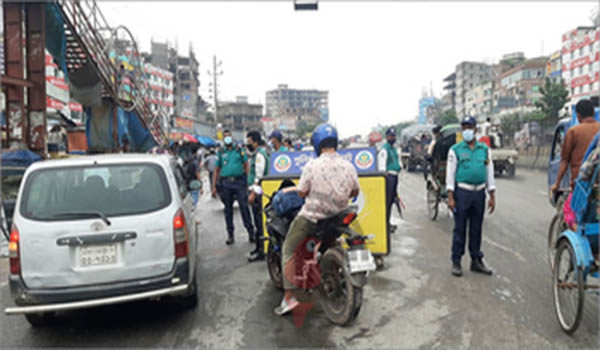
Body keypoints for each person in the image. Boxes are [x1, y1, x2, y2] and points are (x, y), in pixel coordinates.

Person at [274, 123, 360, 316]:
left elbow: (302, 192)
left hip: (313, 218)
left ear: (316, 143)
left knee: (288, 249)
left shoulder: (312, 165)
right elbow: (355, 191)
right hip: (338, 217)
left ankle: (289, 298)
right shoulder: (348, 165)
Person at [447, 116, 496, 277]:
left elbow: (489, 173)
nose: (467, 129)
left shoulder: (484, 150)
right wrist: (451, 197)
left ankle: (476, 260)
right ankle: (456, 261)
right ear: (462, 130)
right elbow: (450, 174)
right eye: (465, 127)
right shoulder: (455, 150)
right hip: (462, 193)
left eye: (470, 126)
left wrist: (492, 195)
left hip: (479, 193)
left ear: (475, 129)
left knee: (476, 228)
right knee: (459, 228)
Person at [212, 130, 254, 245]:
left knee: (244, 207)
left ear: (232, 137)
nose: (227, 139)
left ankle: (251, 232)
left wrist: (246, 181)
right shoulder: (221, 152)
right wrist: (214, 187)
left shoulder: (239, 150)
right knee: (228, 210)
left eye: (228, 137)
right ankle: (230, 235)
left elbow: (246, 165)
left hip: (239, 182)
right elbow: (216, 170)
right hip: (226, 183)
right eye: (225, 137)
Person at [551, 99, 600, 192]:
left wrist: (557, 184)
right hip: (597, 182)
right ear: (593, 113)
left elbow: (564, 160)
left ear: (578, 115)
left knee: (569, 206)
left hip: (581, 184)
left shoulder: (573, 132)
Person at [246, 131, 270, 262]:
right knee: (257, 221)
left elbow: (259, 176)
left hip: (258, 192)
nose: (248, 144)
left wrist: (253, 193)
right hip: (257, 191)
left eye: (249, 142)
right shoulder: (258, 153)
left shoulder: (260, 154)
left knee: (259, 222)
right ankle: (258, 247)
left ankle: (261, 251)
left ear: (255, 141)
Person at [377, 127, 401, 233]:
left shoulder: (394, 149)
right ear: (387, 137)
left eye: (394, 136)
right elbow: (382, 167)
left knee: (391, 201)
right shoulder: (384, 149)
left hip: (395, 176)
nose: (393, 138)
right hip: (388, 177)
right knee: (386, 202)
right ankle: (384, 224)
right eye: (391, 136)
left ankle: (388, 222)